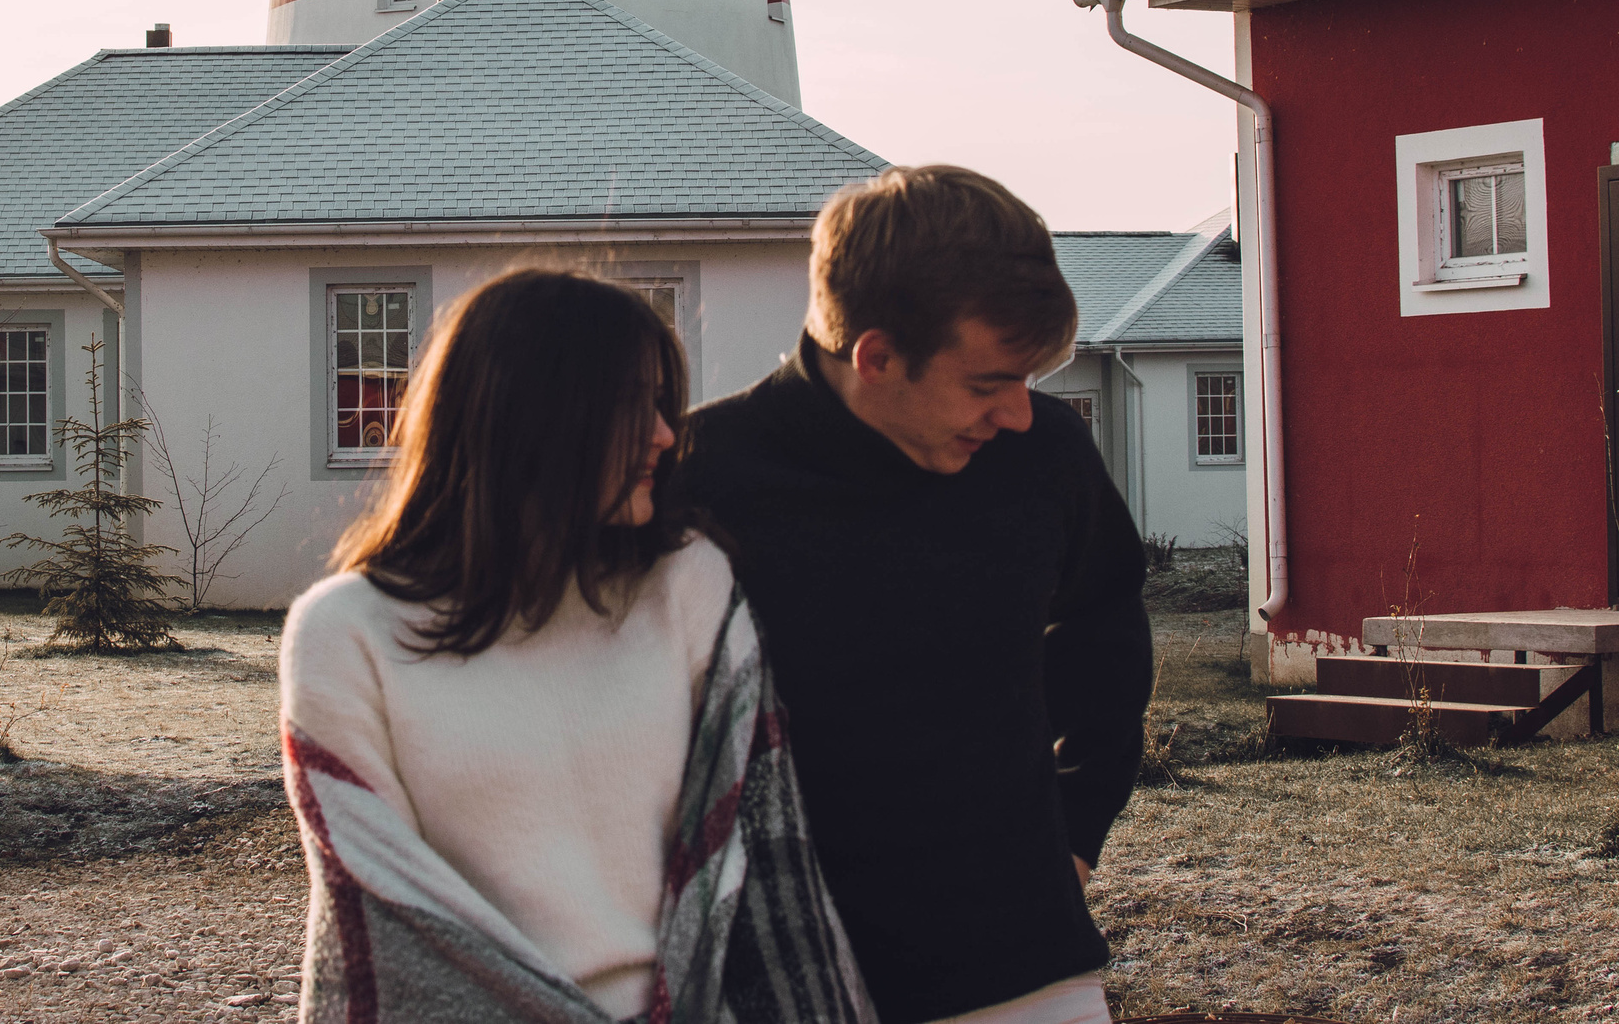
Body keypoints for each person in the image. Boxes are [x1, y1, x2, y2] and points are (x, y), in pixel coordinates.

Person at [279, 268, 875, 1024]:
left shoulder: (686, 584)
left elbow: (761, 854)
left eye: (663, 403)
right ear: (529, 415)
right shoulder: (345, 632)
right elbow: (392, 917)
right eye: (633, 404)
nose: (666, 432)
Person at [676, 166, 1154, 1024]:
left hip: (1030, 972)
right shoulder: (700, 478)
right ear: (877, 355)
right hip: (778, 986)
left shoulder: (1044, 454)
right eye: (988, 383)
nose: (1018, 412)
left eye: (1031, 379)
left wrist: (1079, 826)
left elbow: (1105, 615)